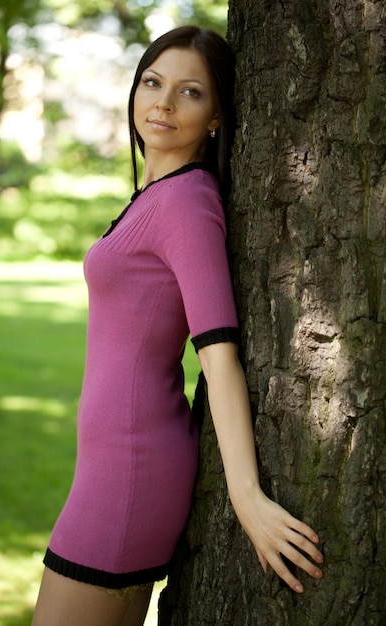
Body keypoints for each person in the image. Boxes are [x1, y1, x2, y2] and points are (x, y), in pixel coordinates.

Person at [32, 25, 323, 626]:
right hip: (109, 467)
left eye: (191, 92)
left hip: (130, 475)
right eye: (153, 82)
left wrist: (248, 499)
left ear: (217, 117)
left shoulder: (186, 204)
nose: (163, 102)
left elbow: (219, 356)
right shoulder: (157, 196)